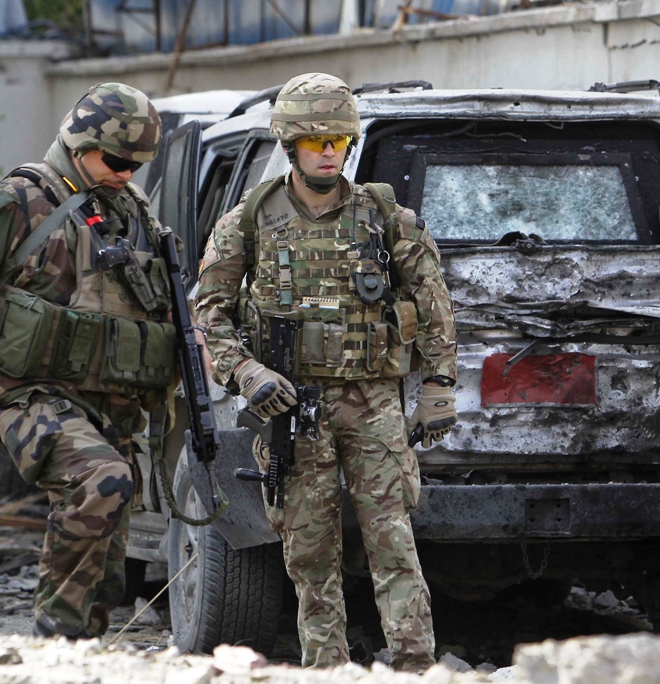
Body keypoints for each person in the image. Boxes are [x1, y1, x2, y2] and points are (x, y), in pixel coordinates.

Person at [194, 72, 459, 671]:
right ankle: (326, 664)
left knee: (392, 535)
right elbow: (208, 308)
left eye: (338, 142)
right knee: (309, 548)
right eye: (315, 142)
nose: (328, 152)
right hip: (292, 405)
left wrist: (439, 384)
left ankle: (415, 661)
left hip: (373, 398)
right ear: (289, 146)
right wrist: (246, 372)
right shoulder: (249, 220)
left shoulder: (384, 215)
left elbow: (434, 297)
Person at [0, 83, 175, 639]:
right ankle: (52, 643)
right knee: (100, 480)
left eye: (137, 164)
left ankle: (81, 652)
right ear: (79, 143)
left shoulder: (131, 211)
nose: (126, 173)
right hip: (22, 388)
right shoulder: (22, 200)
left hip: (109, 402)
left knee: (108, 553)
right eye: (115, 160)